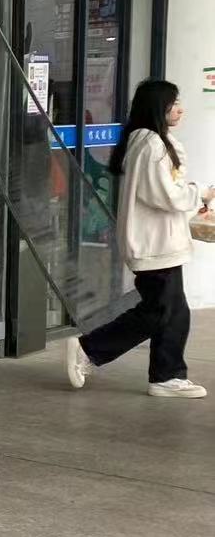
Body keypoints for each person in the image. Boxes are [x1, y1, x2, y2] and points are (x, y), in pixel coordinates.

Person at [67, 80, 214, 398]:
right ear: (158, 107)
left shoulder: (150, 141)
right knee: (159, 311)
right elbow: (165, 195)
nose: (180, 109)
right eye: (174, 103)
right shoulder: (151, 145)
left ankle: (166, 376)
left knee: (174, 311)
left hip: (160, 242)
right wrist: (201, 191)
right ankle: (90, 348)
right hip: (154, 243)